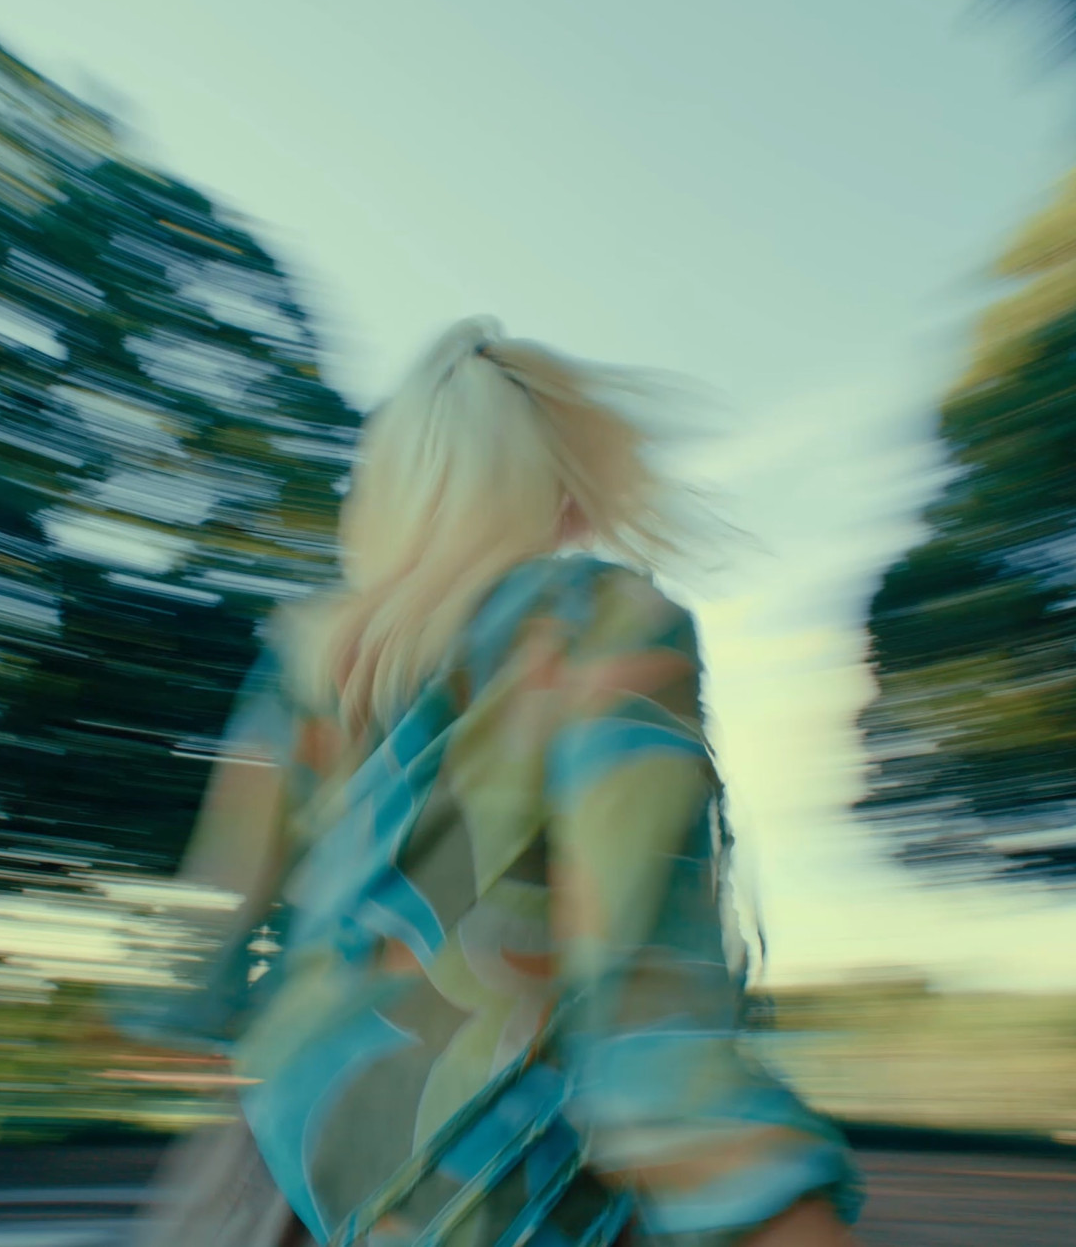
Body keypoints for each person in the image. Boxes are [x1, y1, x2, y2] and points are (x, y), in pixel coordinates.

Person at [116, 317, 862, 1247]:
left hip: (271, 1164)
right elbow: (637, 970)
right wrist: (753, 1187)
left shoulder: (309, 657)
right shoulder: (600, 623)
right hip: (484, 1164)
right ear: (555, 490)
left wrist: (179, 1019)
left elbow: (213, 921)